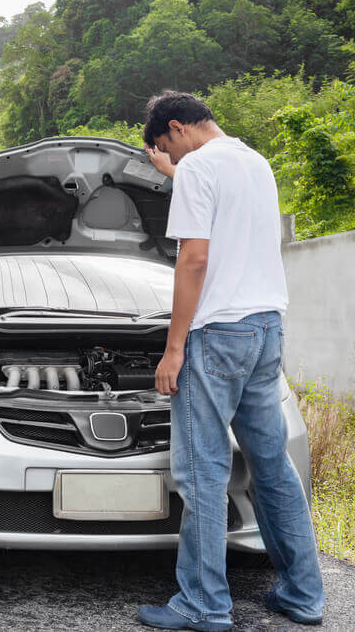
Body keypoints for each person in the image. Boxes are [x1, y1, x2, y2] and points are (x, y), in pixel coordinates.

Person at [135, 91, 325, 631]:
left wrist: (173, 350)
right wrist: (175, 173)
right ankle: (303, 595)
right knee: (272, 468)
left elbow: (194, 259)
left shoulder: (198, 169)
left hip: (216, 334)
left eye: (166, 144)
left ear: (176, 128)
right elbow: (229, 217)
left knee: (202, 472)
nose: (171, 154)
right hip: (266, 329)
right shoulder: (253, 162)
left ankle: (203, 605)